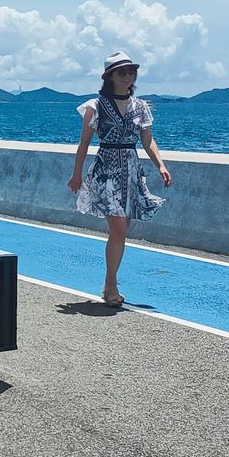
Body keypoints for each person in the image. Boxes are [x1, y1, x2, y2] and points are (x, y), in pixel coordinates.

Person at [68, 52, 171, 307]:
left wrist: (160, 165)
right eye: (121, 72)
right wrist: (77, 173)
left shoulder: (140, 106)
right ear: (110, 77)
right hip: (106, 170)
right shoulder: (95, 106)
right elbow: (84, 143)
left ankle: (109, 282)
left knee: (123, 229)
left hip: (131, 170)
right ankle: (111, 284)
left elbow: (147, 140)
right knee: (119, 229)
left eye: (131, 72)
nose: (128, 76)